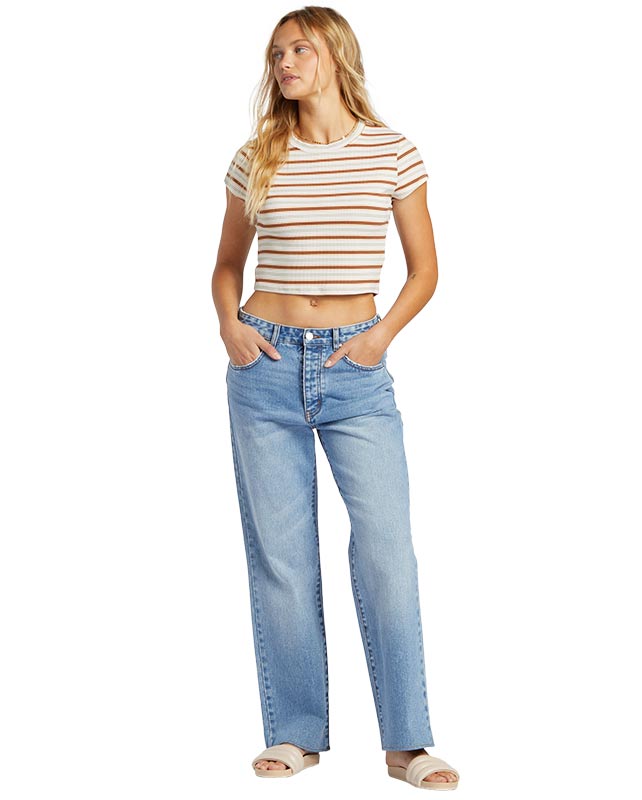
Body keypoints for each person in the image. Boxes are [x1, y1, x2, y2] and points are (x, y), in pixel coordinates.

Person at [212, 6, 459, 790]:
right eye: (276, 52)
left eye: (300, 49)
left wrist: (380, 337)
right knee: (282, 557)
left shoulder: (392, 152)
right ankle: (295, 734)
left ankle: (408, 743)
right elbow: (227, 264)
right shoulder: (258, 155)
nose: (284, 62)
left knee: (387, 551)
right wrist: (229, 324)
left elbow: (425, 269)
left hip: (356, 368)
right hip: (265, 364)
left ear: (336, 56)